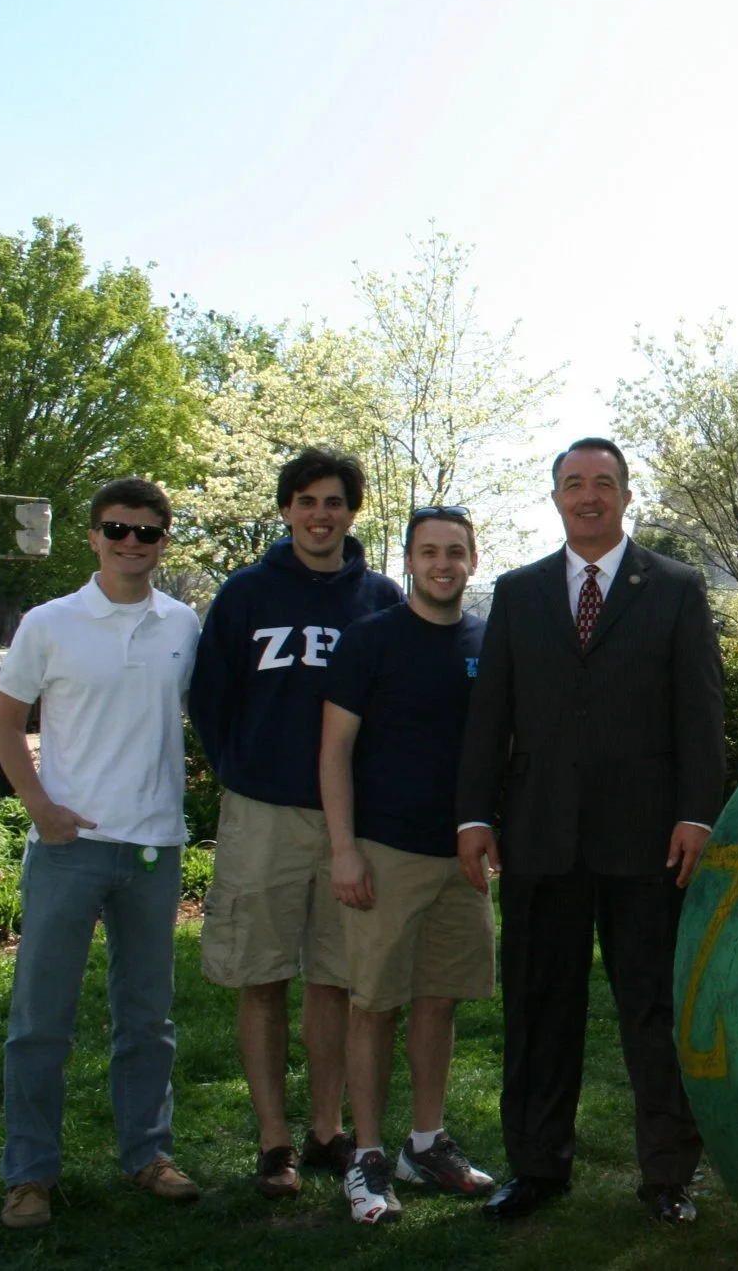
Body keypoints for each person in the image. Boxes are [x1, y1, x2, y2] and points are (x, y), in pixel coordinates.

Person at [456, 437, 725, 1225]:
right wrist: (475, 815)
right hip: (539, 838)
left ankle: (668, 1177)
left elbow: (700, 713)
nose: (588, 496)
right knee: (539, 1012)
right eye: (574, 484)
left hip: (648, 843)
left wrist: (696, 812)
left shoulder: (674, 588)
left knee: (652, 1009)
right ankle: (538, 1169)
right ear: (556, 499)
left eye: (603, 483)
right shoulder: (519, 591)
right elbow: (490, 717)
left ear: (626, 495)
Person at [0, 479, 203, 1229]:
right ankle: (29, 1175)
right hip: (69, 848)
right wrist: (42, 809)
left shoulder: (184, 624)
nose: (131, 542)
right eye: (117, 528)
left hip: (153, 850)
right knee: (39, 1021)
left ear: (163, 540)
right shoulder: (50, 623)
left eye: (147, 531)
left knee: (147, 1020)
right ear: (91, 535)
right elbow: (6, 722)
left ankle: (148, 1154)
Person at [189, 447, 402, 1197]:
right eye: (307, 500)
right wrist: (244, 769)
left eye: (335, 501)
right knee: (262, 974)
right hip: (265, 815)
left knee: (336, 980)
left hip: (352, 822)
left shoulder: (380, 598)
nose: (321, 514)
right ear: (286, 510)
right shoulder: (246, 594)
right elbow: (210, 701)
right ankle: (274, 1141)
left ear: (352, 511)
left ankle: (327, 1130)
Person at [320, 507, 497, 1225]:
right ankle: (365, 1157)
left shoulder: (490, 641)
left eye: (455, 551)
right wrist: (343, 848)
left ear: (473, 560)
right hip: (385, 851)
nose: (443, 564)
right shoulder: (372, 641)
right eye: (429, 552)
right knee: (374, 1004)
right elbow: (332, 751)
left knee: (439, 998)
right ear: (410, 560)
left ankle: (425, 1142)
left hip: (460, 857)